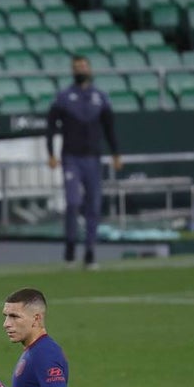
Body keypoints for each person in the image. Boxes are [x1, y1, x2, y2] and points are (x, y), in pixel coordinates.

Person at [46, 55, 122, 270]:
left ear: (89, 69)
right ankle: (70, 244)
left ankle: (90, 251)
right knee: (72, 202)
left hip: (93, 157)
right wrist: (50, 152)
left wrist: (116, 154)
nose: (81, 69)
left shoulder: (100, 97)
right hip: (71, 157)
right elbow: (51, 126)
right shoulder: (63, 97)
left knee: (94, 206)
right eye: (77, 67)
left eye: (83, 66)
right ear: (72, 70)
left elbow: (109, 128)